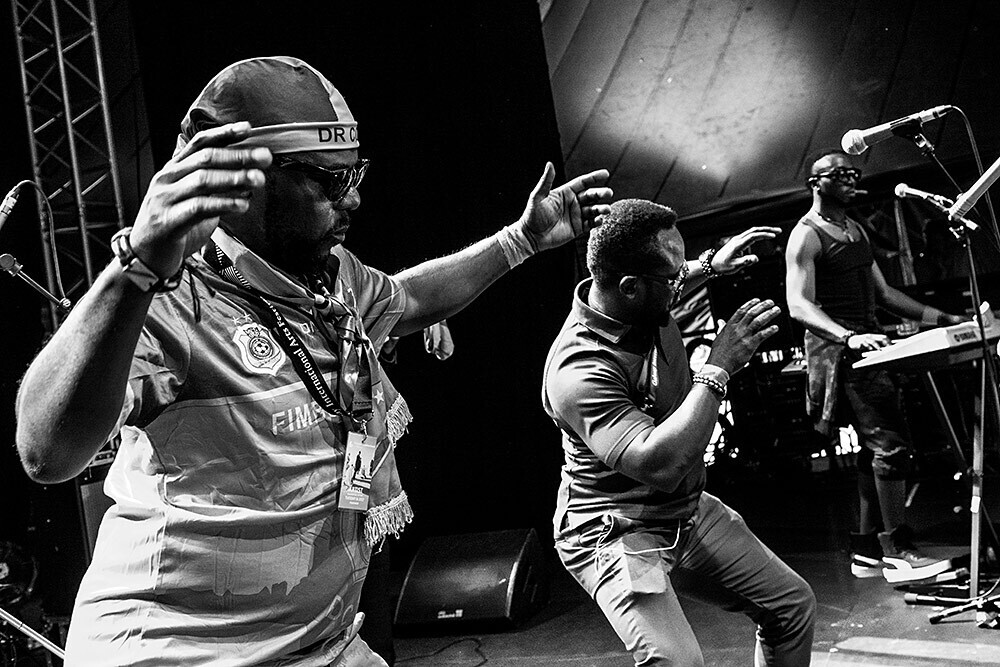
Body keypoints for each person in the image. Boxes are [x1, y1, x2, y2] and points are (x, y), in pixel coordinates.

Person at [13, 56, 613, 666]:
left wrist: (520, 240)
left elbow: (409, 299)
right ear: (246, 181)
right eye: (329, 181)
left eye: (356, 174)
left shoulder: (328, 275)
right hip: (179, 654)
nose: (353, 199)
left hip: (315, 644)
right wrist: (135, 270)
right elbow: (45, 454)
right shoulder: (170, 299)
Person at [543, 198, 816, 667]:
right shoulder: (580, 369)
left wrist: (709, 266)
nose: (680, 283)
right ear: (630, 287)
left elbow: (668, 279)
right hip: (616, 528)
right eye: (673, 278)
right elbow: (662, 465)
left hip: (684, 511)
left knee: (791, 607)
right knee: (677, 662)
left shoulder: (639, 301)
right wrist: (718, 368)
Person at [784, 148, 964, 582]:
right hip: (840, 355)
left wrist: (942, 318)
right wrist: (848, 336)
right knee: (890, 447)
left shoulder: (856, 230)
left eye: (854, 173)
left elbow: (885, 295)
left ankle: (866, 549)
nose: (851, 179)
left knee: (877, 449)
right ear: (816, 183)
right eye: (840, 174)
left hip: (868, 349)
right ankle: (897, 549)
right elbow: (798, 304)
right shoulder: (806, 235)